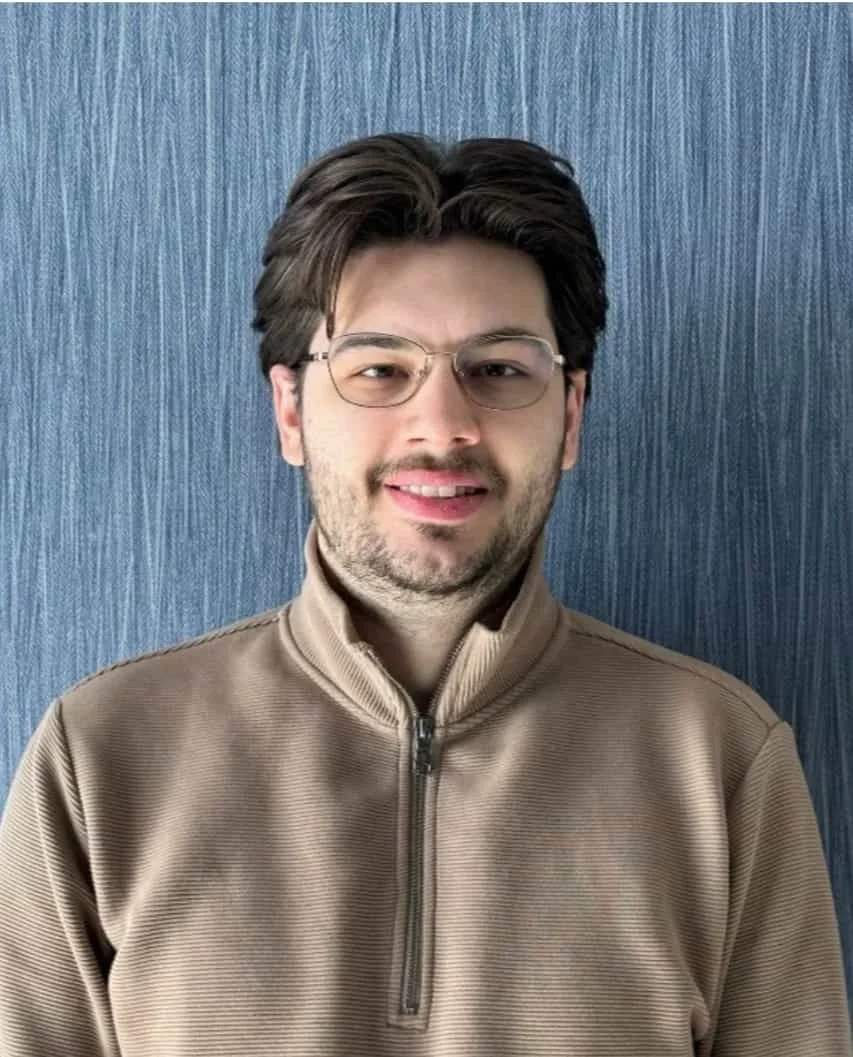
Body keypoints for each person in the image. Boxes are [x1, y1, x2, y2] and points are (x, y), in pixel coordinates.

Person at [0, 133, 849, 1057]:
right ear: (290, 411)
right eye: (378, 369)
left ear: (569, 414)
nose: (441, 425)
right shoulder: (100, 757)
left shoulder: (721, 758)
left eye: (498, 370)